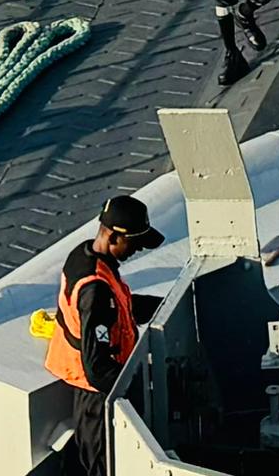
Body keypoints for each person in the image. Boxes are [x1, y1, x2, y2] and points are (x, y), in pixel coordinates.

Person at [43, 194, 160, 472]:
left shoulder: (86, 254)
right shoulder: (95, 290)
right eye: (134, 243)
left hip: (97, 387)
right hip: (95, 397)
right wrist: (136, 387)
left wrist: (164, 307)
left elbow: (119, 308)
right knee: (102, 464)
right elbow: (97, 368)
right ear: (113, 238)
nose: (138, 250)